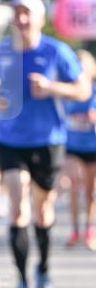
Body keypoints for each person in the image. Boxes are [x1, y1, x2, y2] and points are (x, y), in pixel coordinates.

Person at [0, 0, 89, 288]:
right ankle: (21, 283)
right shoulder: (0, 51)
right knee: (18, 206)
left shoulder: (57, 52)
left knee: (43, 212)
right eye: (17, 13)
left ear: (41, 18)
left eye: (28, 13)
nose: (22, 19)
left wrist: (51, 88)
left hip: (48, 140)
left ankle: (43, 271)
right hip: (9, 139)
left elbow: (82, 90)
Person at [63, 49, 96, 250]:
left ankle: (90, 230)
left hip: (93, 146)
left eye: (84, 66)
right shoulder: (68, 93)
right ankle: (75, 229)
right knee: (74, 184)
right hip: (72, 147)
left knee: (91, 192)